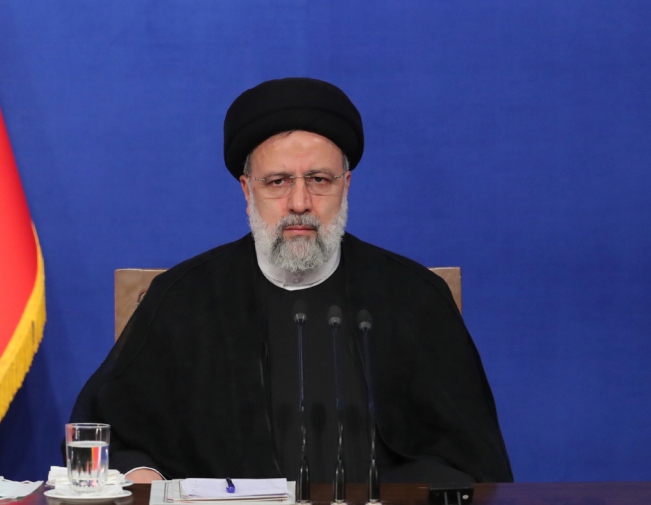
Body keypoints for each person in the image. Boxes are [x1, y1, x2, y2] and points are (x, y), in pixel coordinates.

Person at [67, 77, 513, 485]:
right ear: (247, 190)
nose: (299, 202)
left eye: (319, 180)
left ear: (347, 185)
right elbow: (106, 437)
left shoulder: (414, 297)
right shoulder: (183, 298)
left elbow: (473, 462)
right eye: (277, 182)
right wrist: (144, 477)